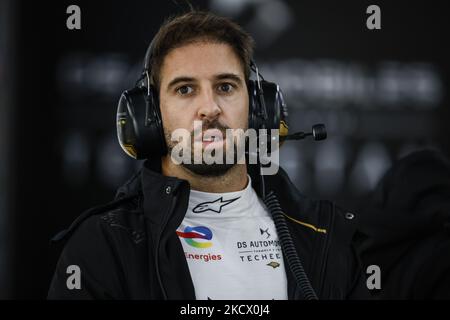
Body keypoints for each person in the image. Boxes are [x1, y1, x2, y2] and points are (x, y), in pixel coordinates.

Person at [48, 11, 366, 300]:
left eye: (225, 87)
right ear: (151, 116)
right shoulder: (103, 245)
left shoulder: (328, 234)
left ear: (259, 109)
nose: (210, 108)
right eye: (185, 89)